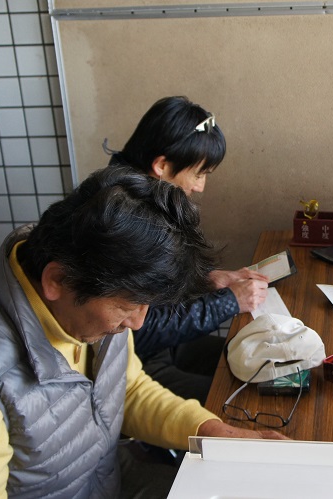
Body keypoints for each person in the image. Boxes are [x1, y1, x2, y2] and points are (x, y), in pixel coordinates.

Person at [0, 167, 285, 498]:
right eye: (128, 307)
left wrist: (212, 431)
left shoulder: (89, 277)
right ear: (56, 280)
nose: (138, 323)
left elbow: (127, 388)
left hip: (103, 477)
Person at [106, 96, 268, 404]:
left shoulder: (138, 195)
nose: (200, 187)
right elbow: (137, 329)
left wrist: (208, 279)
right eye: (198, 173)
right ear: (161, 165)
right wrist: (229, 302)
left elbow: (156, 290)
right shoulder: (124, 220)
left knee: (260, 360)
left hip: (161, 347)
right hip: (129, 364)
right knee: (243, 399)